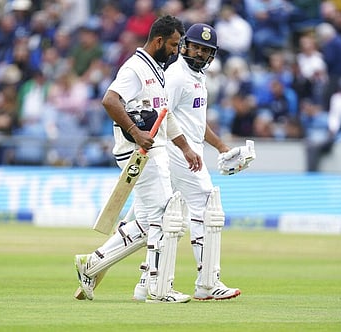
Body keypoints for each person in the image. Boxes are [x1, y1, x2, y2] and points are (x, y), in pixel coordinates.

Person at [74, 15, 203, 303]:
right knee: (166, 216)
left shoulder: (156, 70)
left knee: (146, 223)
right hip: (140, 151)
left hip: (151, 149)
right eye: (172, 44)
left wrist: (185, 148)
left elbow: (163, 117)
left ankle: (93, 264)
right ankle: (159, 288)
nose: (175, 50)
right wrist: (135, 131)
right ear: (158, 41)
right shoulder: (135, 68)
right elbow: (110, 100)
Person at [132, 23, 255, 301]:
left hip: (188, 151)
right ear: (185, 45)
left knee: (155, 219)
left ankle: (145, 282)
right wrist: (183, 149)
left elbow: (196, 123)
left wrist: (222, 147)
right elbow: (161, 116)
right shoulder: (176, 75)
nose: (199, 53)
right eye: (196, 47)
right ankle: (208, 282)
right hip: (177, 152)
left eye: (205, 50)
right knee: (207, 204)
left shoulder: (198, 77)